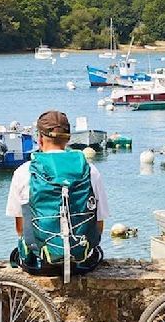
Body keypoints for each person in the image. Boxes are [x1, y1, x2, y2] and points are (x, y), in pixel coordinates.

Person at [6, 110, 109, 275]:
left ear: (39, 139)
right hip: (82, 260)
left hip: (40, 262)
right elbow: (99, 224)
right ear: (68, 138)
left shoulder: (23, 172)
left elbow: (20, 228)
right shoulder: (91, 171)